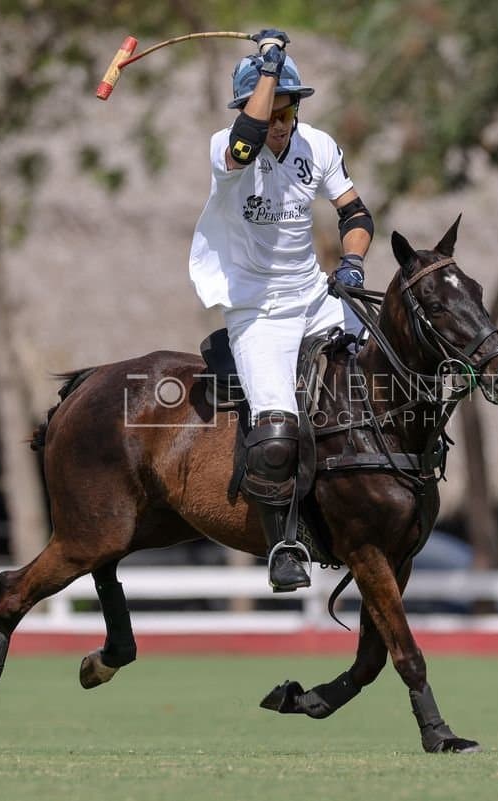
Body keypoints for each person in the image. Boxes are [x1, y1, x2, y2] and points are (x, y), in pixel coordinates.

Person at [188, 29, 374, 592]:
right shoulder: (229, 148)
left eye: (288, 112)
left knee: (383, 381)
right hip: (257, 310)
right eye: (272, 112)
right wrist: (269, 65)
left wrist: (353, 264)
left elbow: (356, 214)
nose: (281, 123)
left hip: (316, 299)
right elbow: (247, 140)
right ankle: (284, 542)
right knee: (275, 435)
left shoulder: (317, 146)